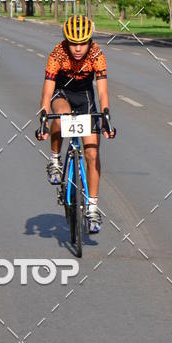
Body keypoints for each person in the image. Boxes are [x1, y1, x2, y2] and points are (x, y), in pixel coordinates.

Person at [37, 15, 115, 233]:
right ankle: (54, 160)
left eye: (82, 43)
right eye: (73, 43)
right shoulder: (57, 54)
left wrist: (106, 116)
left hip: (85, 98)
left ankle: (92, 207)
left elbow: (102, 90)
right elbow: (48, 89)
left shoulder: (97, 54)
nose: (78, 49)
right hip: (62, 93)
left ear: (90, 41)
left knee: (91, 154)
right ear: (66, 41)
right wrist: (43, 116)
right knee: (62, 116)